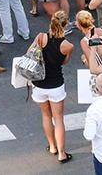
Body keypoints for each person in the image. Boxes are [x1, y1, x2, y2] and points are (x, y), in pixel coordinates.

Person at [30, 10, 75, 163]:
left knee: (46, 116)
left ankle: (52, 147)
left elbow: (29, 53)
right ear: (65, 25)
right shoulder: (67, 46)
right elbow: (64, 62)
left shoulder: (41, 37)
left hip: (39, 83)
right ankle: (62, 153)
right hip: (56, 84)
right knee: (59, 118)